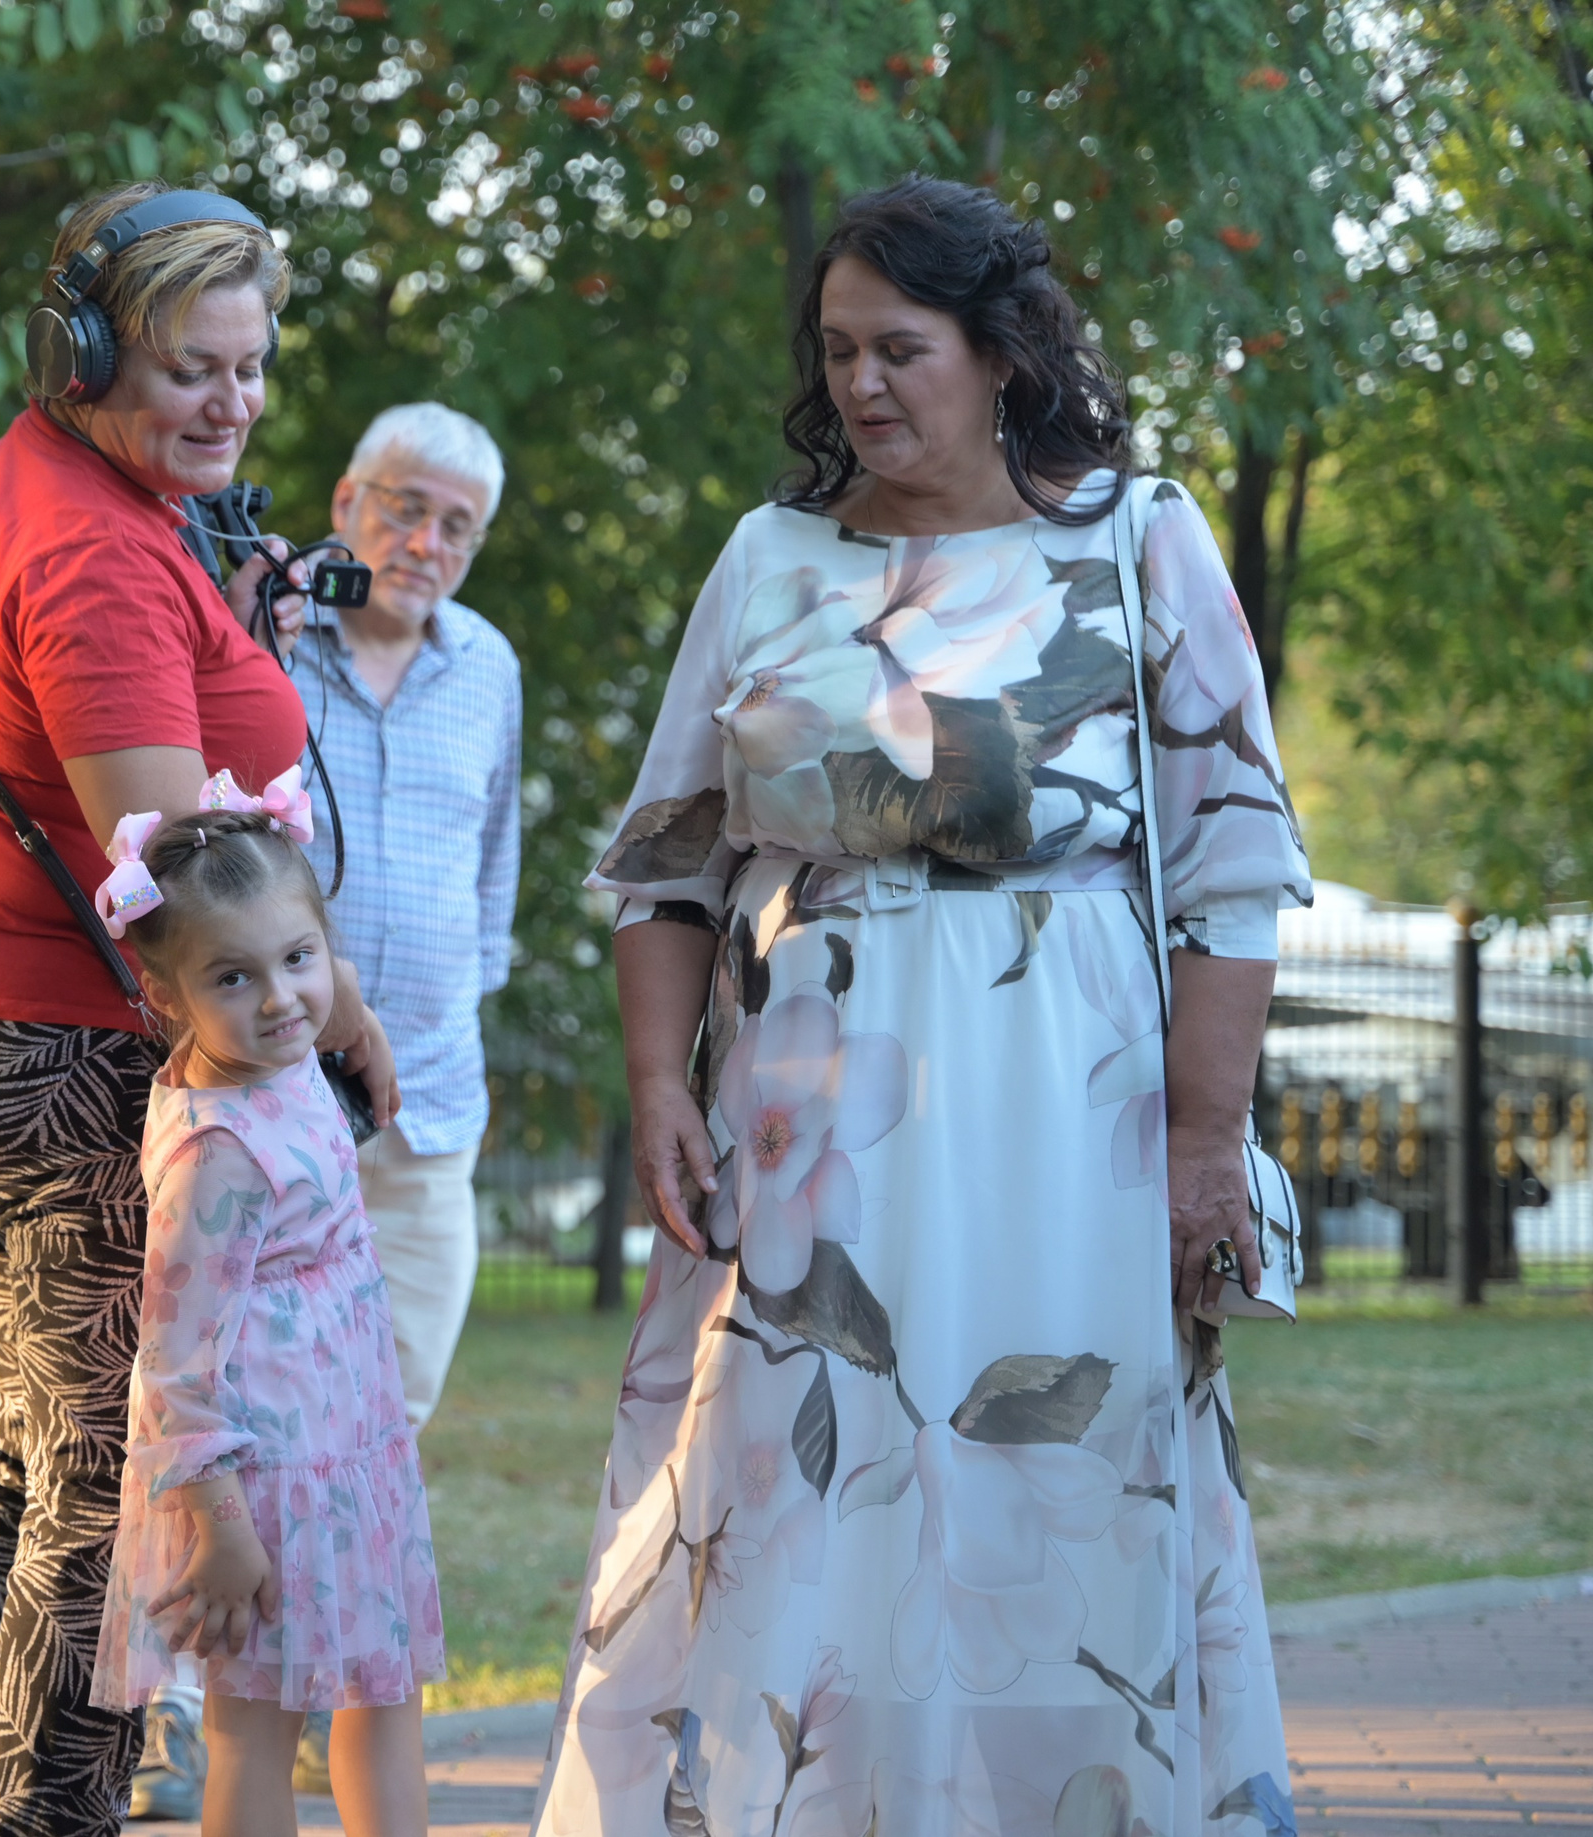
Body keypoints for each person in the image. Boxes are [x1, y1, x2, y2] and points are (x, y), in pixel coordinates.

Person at [533, 176, 1312, 1837]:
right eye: (839, 352)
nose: (864, 385)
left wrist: (1201, 1145)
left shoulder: (1132, 536)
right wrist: (661, 1083)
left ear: (1004, 351)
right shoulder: (769, 556)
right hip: (809, 1125)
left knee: (1055, 1480)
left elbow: (1235, 872)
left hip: (1069, 1129)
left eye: (903, 348)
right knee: (787, 1478)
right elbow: (668, 866)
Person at [0, 181, 396, 1837]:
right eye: (189, 371)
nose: (231, 404)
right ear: (79, 355)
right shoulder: (89, 551)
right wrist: (342, 1009)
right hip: (45, 1047)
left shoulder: (49, 484)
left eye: (250, 367)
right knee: (107, 1488)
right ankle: (41, 1816)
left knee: (38, 1449)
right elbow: (194, 879)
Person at [89, 796, 444, 1837]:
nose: (282, 998)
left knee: (382, 1690)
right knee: (258, 1725)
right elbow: (174, 1363)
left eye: (298, 957)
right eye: (232, 977)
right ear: (165, 993)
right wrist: (223, 1528)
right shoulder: (219, 1151)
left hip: (349, 1452)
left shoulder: (287, 1071)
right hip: (267, 1487)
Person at [295, 403, 522, 1433]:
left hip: (430, 1108)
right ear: (348, 502)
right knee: (261, 1403)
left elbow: (494, 863)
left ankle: (349, 1600)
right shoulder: (266, 636)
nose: (426, 544)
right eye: (405, 509)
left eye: (457, 525)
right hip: (274, 1093)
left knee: (392, 1416)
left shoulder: (488, 668)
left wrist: (457, 999)